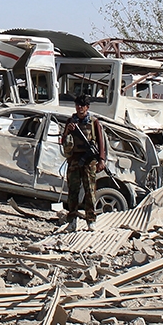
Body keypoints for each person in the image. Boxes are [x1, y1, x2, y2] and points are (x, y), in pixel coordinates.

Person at [61, 94, 106, 232]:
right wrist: (69, 130)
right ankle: (72, 220)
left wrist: (101, 159)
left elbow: (100, 141)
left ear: (87, 107)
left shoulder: (93, 122)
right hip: (74, 159)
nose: (79, 108)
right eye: (77, 105)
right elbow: (63, 140)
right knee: (73, 191)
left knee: (90, 191)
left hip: (89, 160)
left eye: (82, 105)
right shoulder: (71, 121)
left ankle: (91, 221)